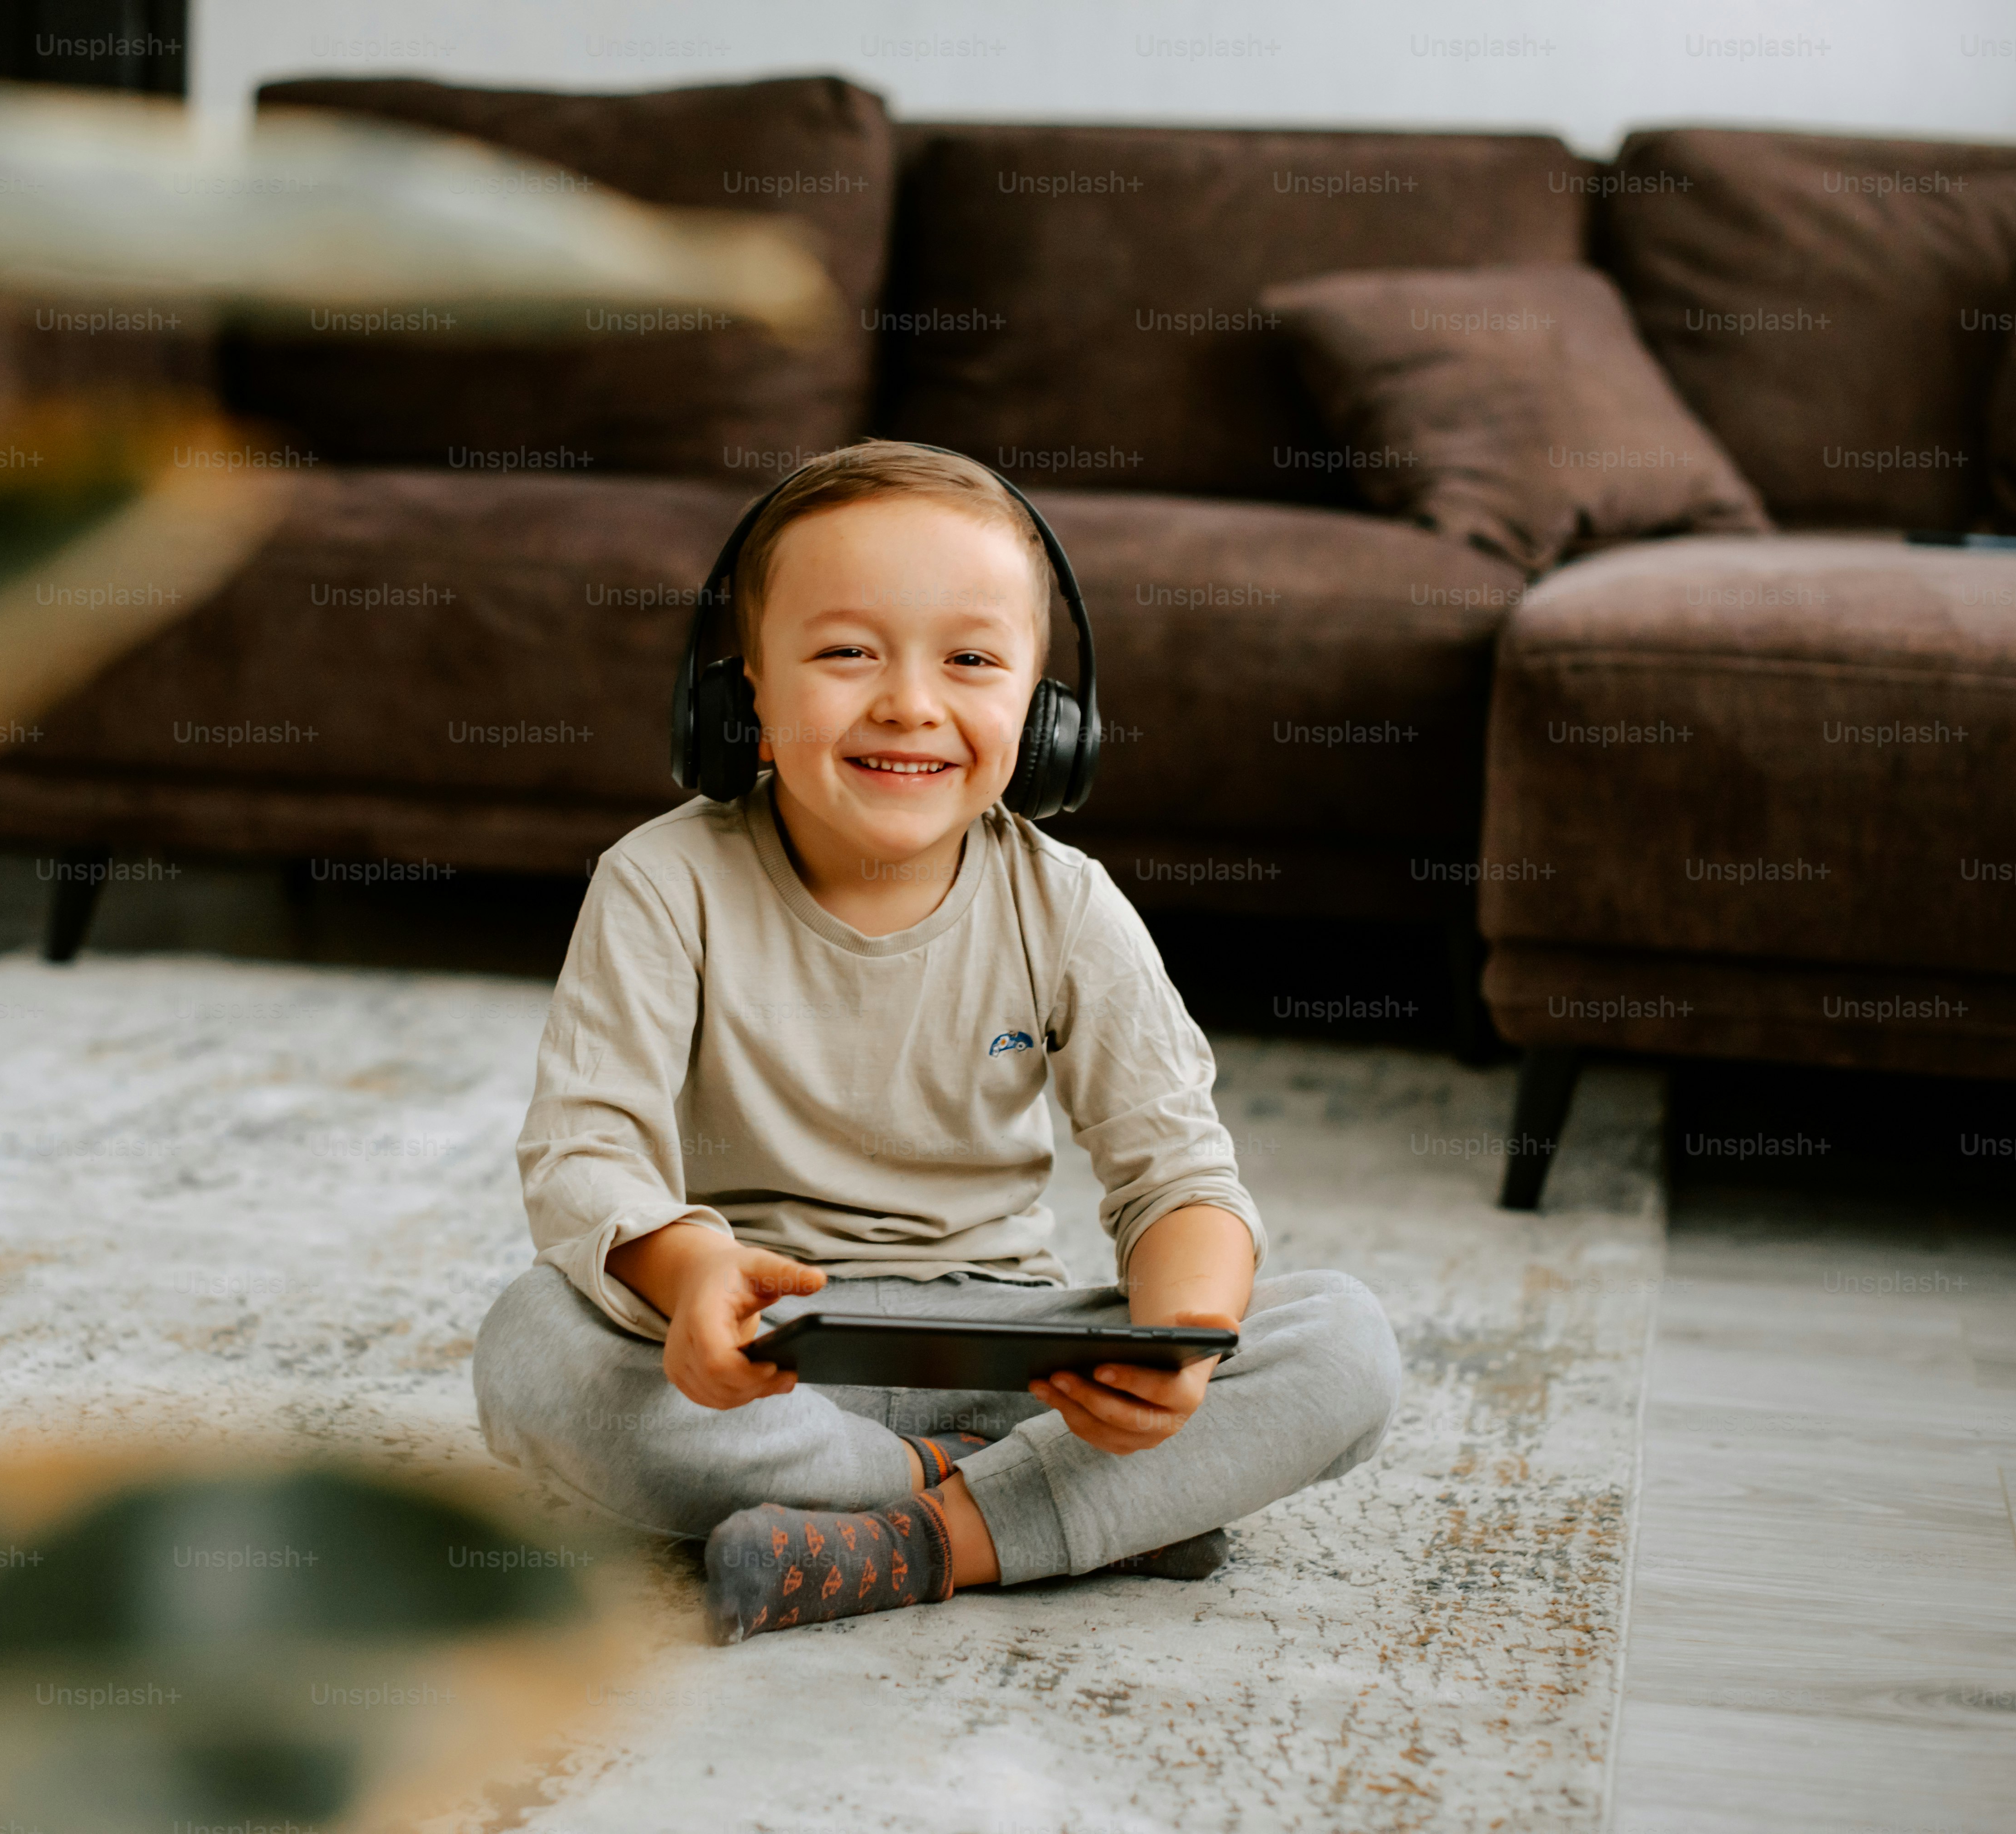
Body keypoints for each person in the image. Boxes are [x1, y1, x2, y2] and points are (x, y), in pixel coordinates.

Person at [474, 441, 1401, 1644]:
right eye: (848, 652)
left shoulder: (1068, 904)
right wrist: (691, 1273)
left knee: (1345, 1347)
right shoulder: (660, 880)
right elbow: (584, 1150)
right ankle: (1056, 1509)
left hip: (1013, 1355)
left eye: (970, 660)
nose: (911, 701)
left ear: (1050, 718)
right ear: (743, 692)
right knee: (534, 1351)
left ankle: (910, 1540)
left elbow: (1179, 1178)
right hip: (770, 1356)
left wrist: (1177, 1360)